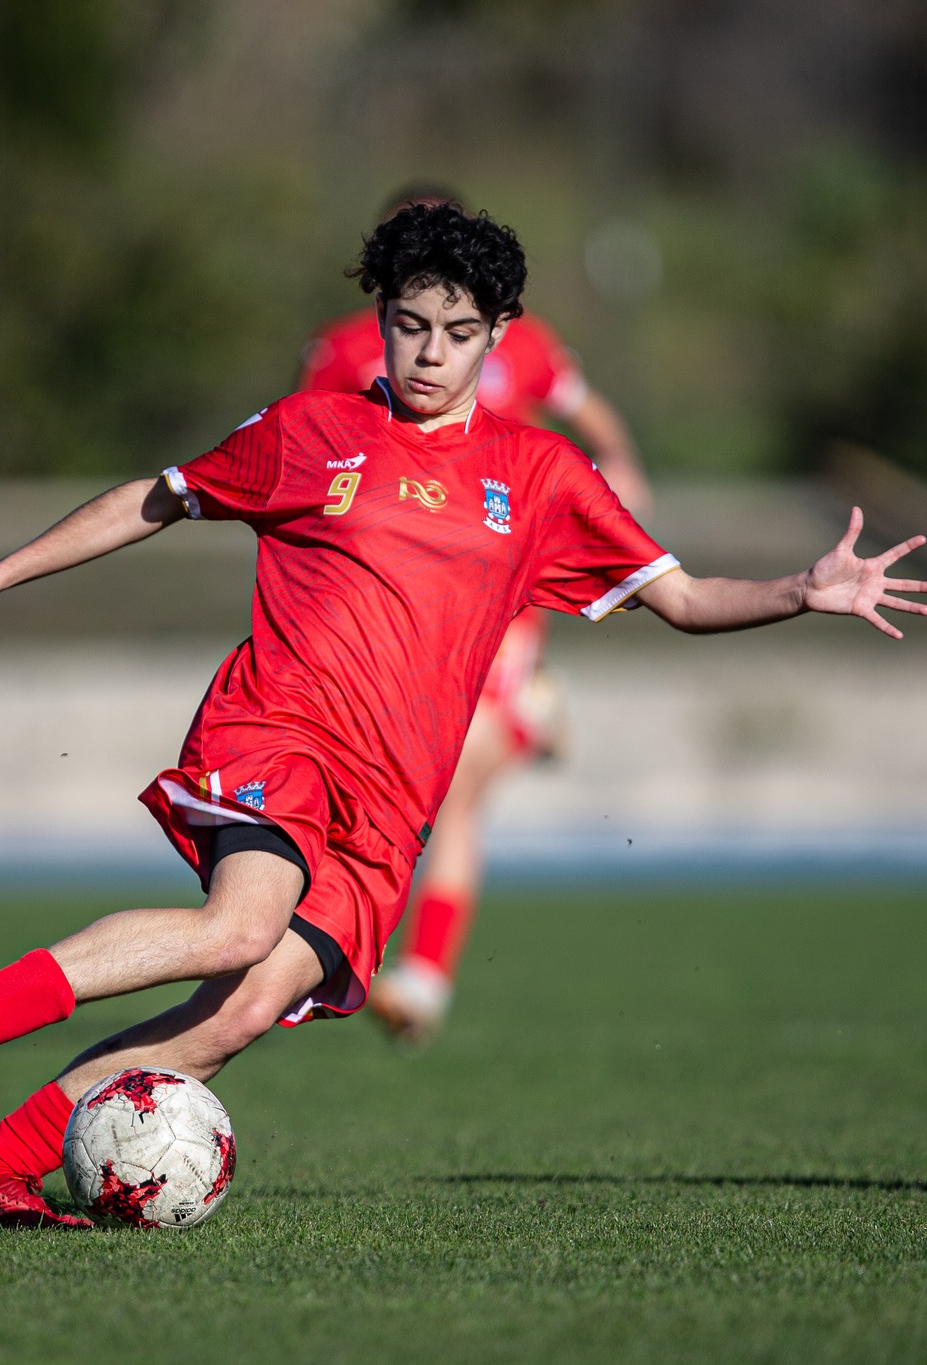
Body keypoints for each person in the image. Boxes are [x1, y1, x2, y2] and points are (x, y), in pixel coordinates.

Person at [0, 203, 927, 1227]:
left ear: (496, 337)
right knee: (239, 925)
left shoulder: (542, 475)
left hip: (389, 806)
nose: (426, 353)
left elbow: (685, 599)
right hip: (277, 729)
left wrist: (801, 591)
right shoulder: (308, 429)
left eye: (456, 333)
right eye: (408, 325)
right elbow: (157, 495)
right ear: (378, 320)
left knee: (233, 1016)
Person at [299, 185, 654, 1045]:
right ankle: (532, 718)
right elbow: (308, 453)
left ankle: (421, 977)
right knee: (402, 786)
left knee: (452, 789)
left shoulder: (518, 340)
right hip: (393, 601)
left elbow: (590, 413)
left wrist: (622, 472)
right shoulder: (349, 351)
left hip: (495, 592)